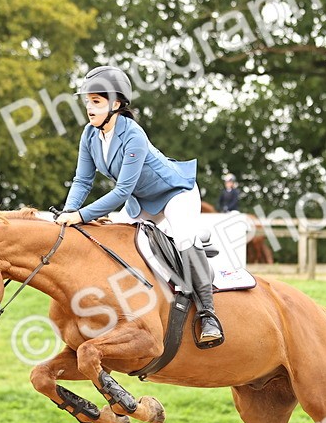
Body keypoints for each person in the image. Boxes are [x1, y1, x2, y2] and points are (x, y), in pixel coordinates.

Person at [55, 65, 224, 348]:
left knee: (183, 238)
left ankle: (208, 314)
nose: (89, 108)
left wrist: (81, 215)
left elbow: (122, 191)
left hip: (174, 195)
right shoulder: (89, 135)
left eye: (96, 102)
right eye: (88, 102)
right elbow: (82, 181)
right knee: (118, 240)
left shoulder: (133, 134)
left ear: (116, 104)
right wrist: (66, 213)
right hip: (142, 202)